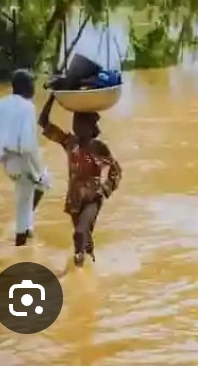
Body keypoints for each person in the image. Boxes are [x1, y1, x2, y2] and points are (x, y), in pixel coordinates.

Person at [38, 94, 122, 266]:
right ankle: (88, 269)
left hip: (93, 199)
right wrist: (52, 97)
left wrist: (104, 190)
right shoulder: (70, 142)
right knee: (85, 239)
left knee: (79, 233)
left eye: (81, 123)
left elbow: (116, 171)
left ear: (91, 128)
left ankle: (78, 270)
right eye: (75, 122)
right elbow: (43, 122)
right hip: (74, 200)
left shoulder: (98, 147)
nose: (76, 126)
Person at [0, 69, 50, 246]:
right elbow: (28, 145)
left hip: (4, 159)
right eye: (32, 85)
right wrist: (35, 169)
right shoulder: (27, 107)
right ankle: (21, 244)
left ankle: (27, 226)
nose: (34, 89)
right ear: (27, 87)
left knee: (35, 188)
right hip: (21, 158)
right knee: (35, 188)